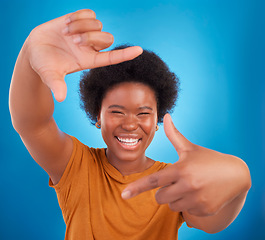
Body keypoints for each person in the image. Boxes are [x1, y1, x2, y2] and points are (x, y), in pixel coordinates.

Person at [9, 9, 251, 240]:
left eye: (143, 113)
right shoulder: (75, 166)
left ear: (157, 120)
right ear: (97, 117)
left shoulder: (175, 179)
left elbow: (209, 222)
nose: (130, 124)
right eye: (117, 112)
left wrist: (239, 178)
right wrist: (31, 52)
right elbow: (32, 124)